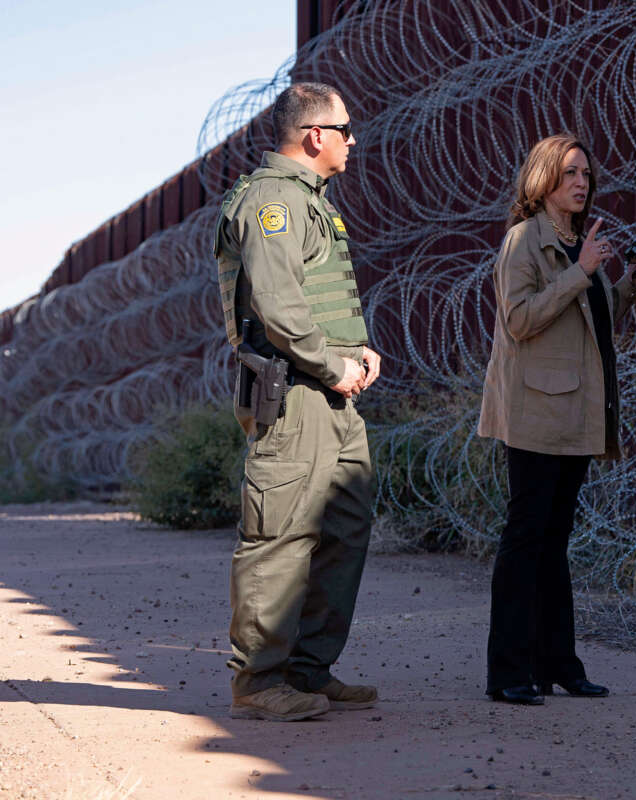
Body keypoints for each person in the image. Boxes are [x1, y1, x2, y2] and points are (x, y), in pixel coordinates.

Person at [214, 82, 383, 721]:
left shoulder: (313, 202)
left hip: (335, 396)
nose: (352, 141)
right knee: (279, 536)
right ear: (315, 136)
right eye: (345, 130)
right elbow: (279, 309)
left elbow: (317, 297)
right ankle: (259, 682)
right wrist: (331, 362)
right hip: (296, 394)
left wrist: (358, 350)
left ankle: (308, 672)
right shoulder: (273, 202)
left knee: (344, 527)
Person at [477, 133, 636, 705]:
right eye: (571, 172)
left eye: (586, 174)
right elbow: (521, 319)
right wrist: (581, 272)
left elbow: (584, 320)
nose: (582, 182)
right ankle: (507, 672)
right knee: (526, 537)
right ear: (543, 179)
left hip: (575, 412)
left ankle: (559, 665)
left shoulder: (578, 241)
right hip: (534, 412)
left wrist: (625, 288)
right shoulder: (524, 241)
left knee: (555, 541)